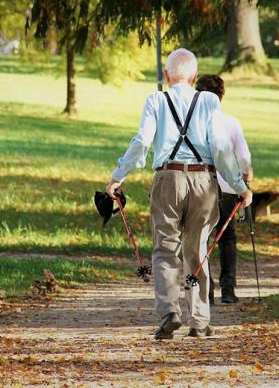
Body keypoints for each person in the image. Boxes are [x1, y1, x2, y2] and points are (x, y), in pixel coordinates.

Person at [106, 48, 253, 339]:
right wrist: (240, 186)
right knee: (197, 250)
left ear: (166, 75)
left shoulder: (155, 100)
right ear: (194, 76)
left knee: (164, 249)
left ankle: (170, 312)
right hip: (203, 181)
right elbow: (222, 150)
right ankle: (199, 320)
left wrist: (117, 176)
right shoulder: (209, 101)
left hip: (167, 178)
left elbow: (142, 142)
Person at [195, 74, 252, 305]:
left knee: (202, 237)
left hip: (201, 185)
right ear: (222, 96)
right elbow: (243, 157)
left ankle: (205, 292)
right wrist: (246, 179)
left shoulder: (193, 123)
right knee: (227, 237)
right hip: (228, 187)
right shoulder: (230, 122)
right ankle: (228, 290)